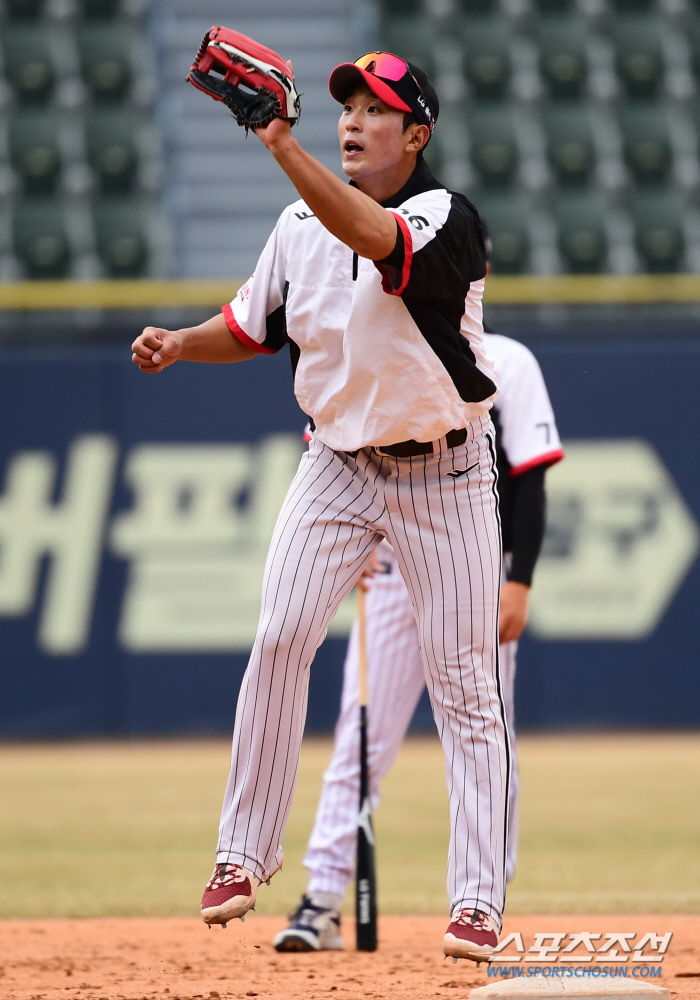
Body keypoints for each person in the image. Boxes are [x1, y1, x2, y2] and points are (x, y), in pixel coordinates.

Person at [132, 51, 508, 962]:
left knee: (464, 686)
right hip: (337, 466)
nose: (350, 120)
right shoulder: (298, 223)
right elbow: (254, 326)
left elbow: (375, 239)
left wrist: (277, 144)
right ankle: (240, 854)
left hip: (445, 474)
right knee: (280, 634)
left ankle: (477, 901)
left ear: (415, 135)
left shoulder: (443, 217)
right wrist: (182, 342)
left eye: (373, 109)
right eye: (343, 106)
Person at [272, 328, 564, 953]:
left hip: (472, 567)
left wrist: (520, 580)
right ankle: (321, 898)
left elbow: (530, 476)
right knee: (361, 733)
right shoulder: (370, 345)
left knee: (486, 729)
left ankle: (483, 899)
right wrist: (346, 553)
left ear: (472, 271)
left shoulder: (509, 360)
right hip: (388, 572)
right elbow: (329, 462)